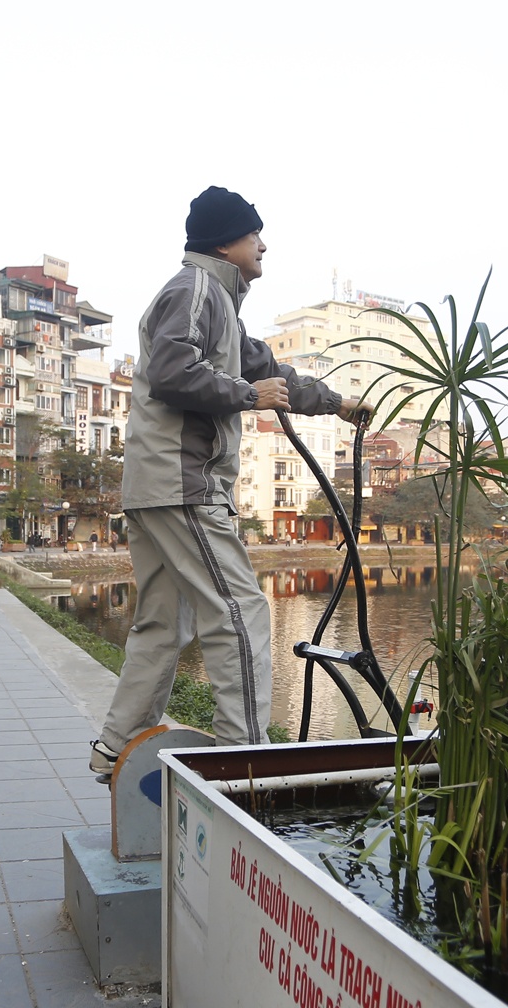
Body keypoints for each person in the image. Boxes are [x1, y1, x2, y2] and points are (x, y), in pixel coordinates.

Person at [86, 187, 367, 775]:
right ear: (223, 242)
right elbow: (172, 372)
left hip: (156, 486)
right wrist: (246, 394)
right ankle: (245, 762)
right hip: (183, 483)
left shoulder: (220, 308)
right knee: (241, 611)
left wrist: (338, 404)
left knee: (165, 623)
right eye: (253, 234)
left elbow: (272, 371)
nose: (263, 246)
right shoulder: (195, 290)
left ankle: (116, 748)